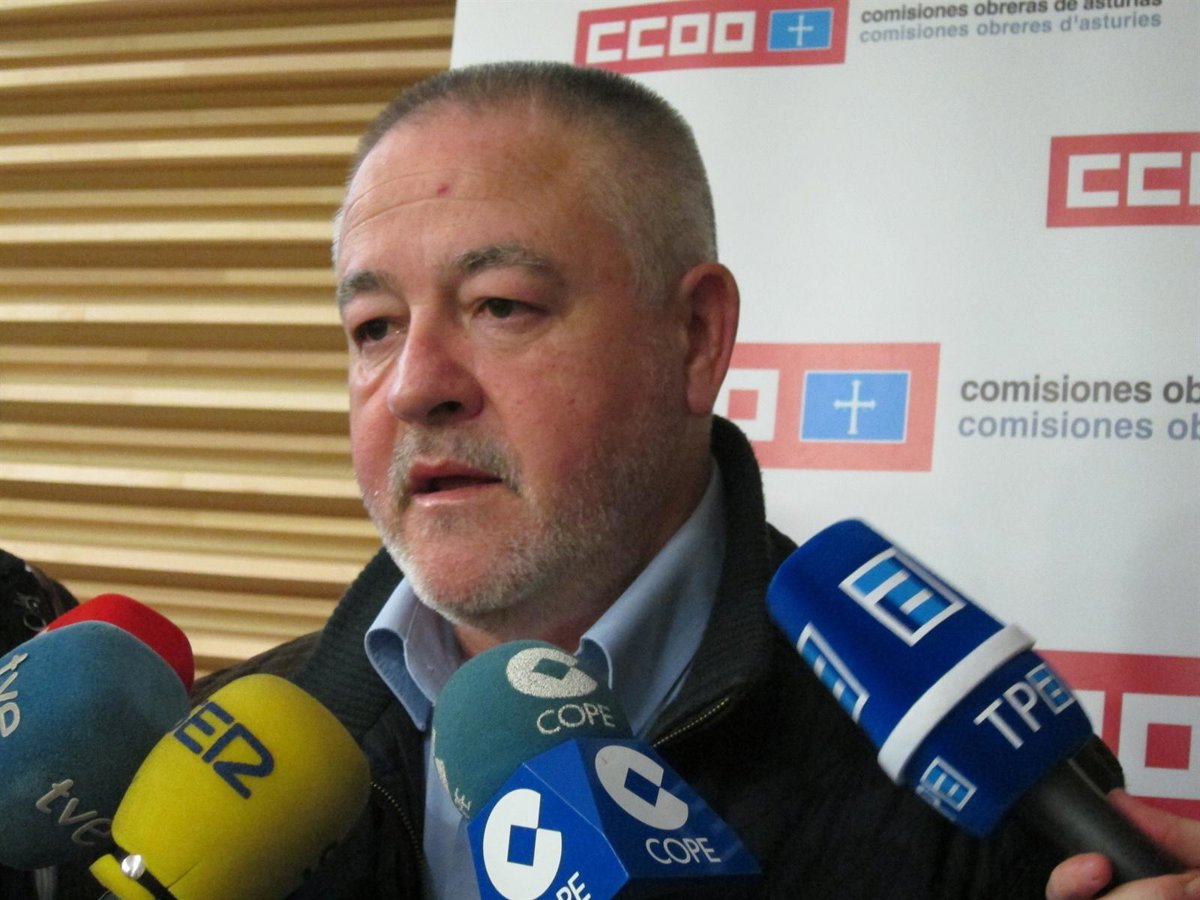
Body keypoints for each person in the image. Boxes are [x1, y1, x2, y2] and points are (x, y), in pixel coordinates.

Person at [22, 59, 1200, 899]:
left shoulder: (974, 798)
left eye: (500, 306)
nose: (415, 384)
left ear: (695, 338)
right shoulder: (238, 752)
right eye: (373, 326)